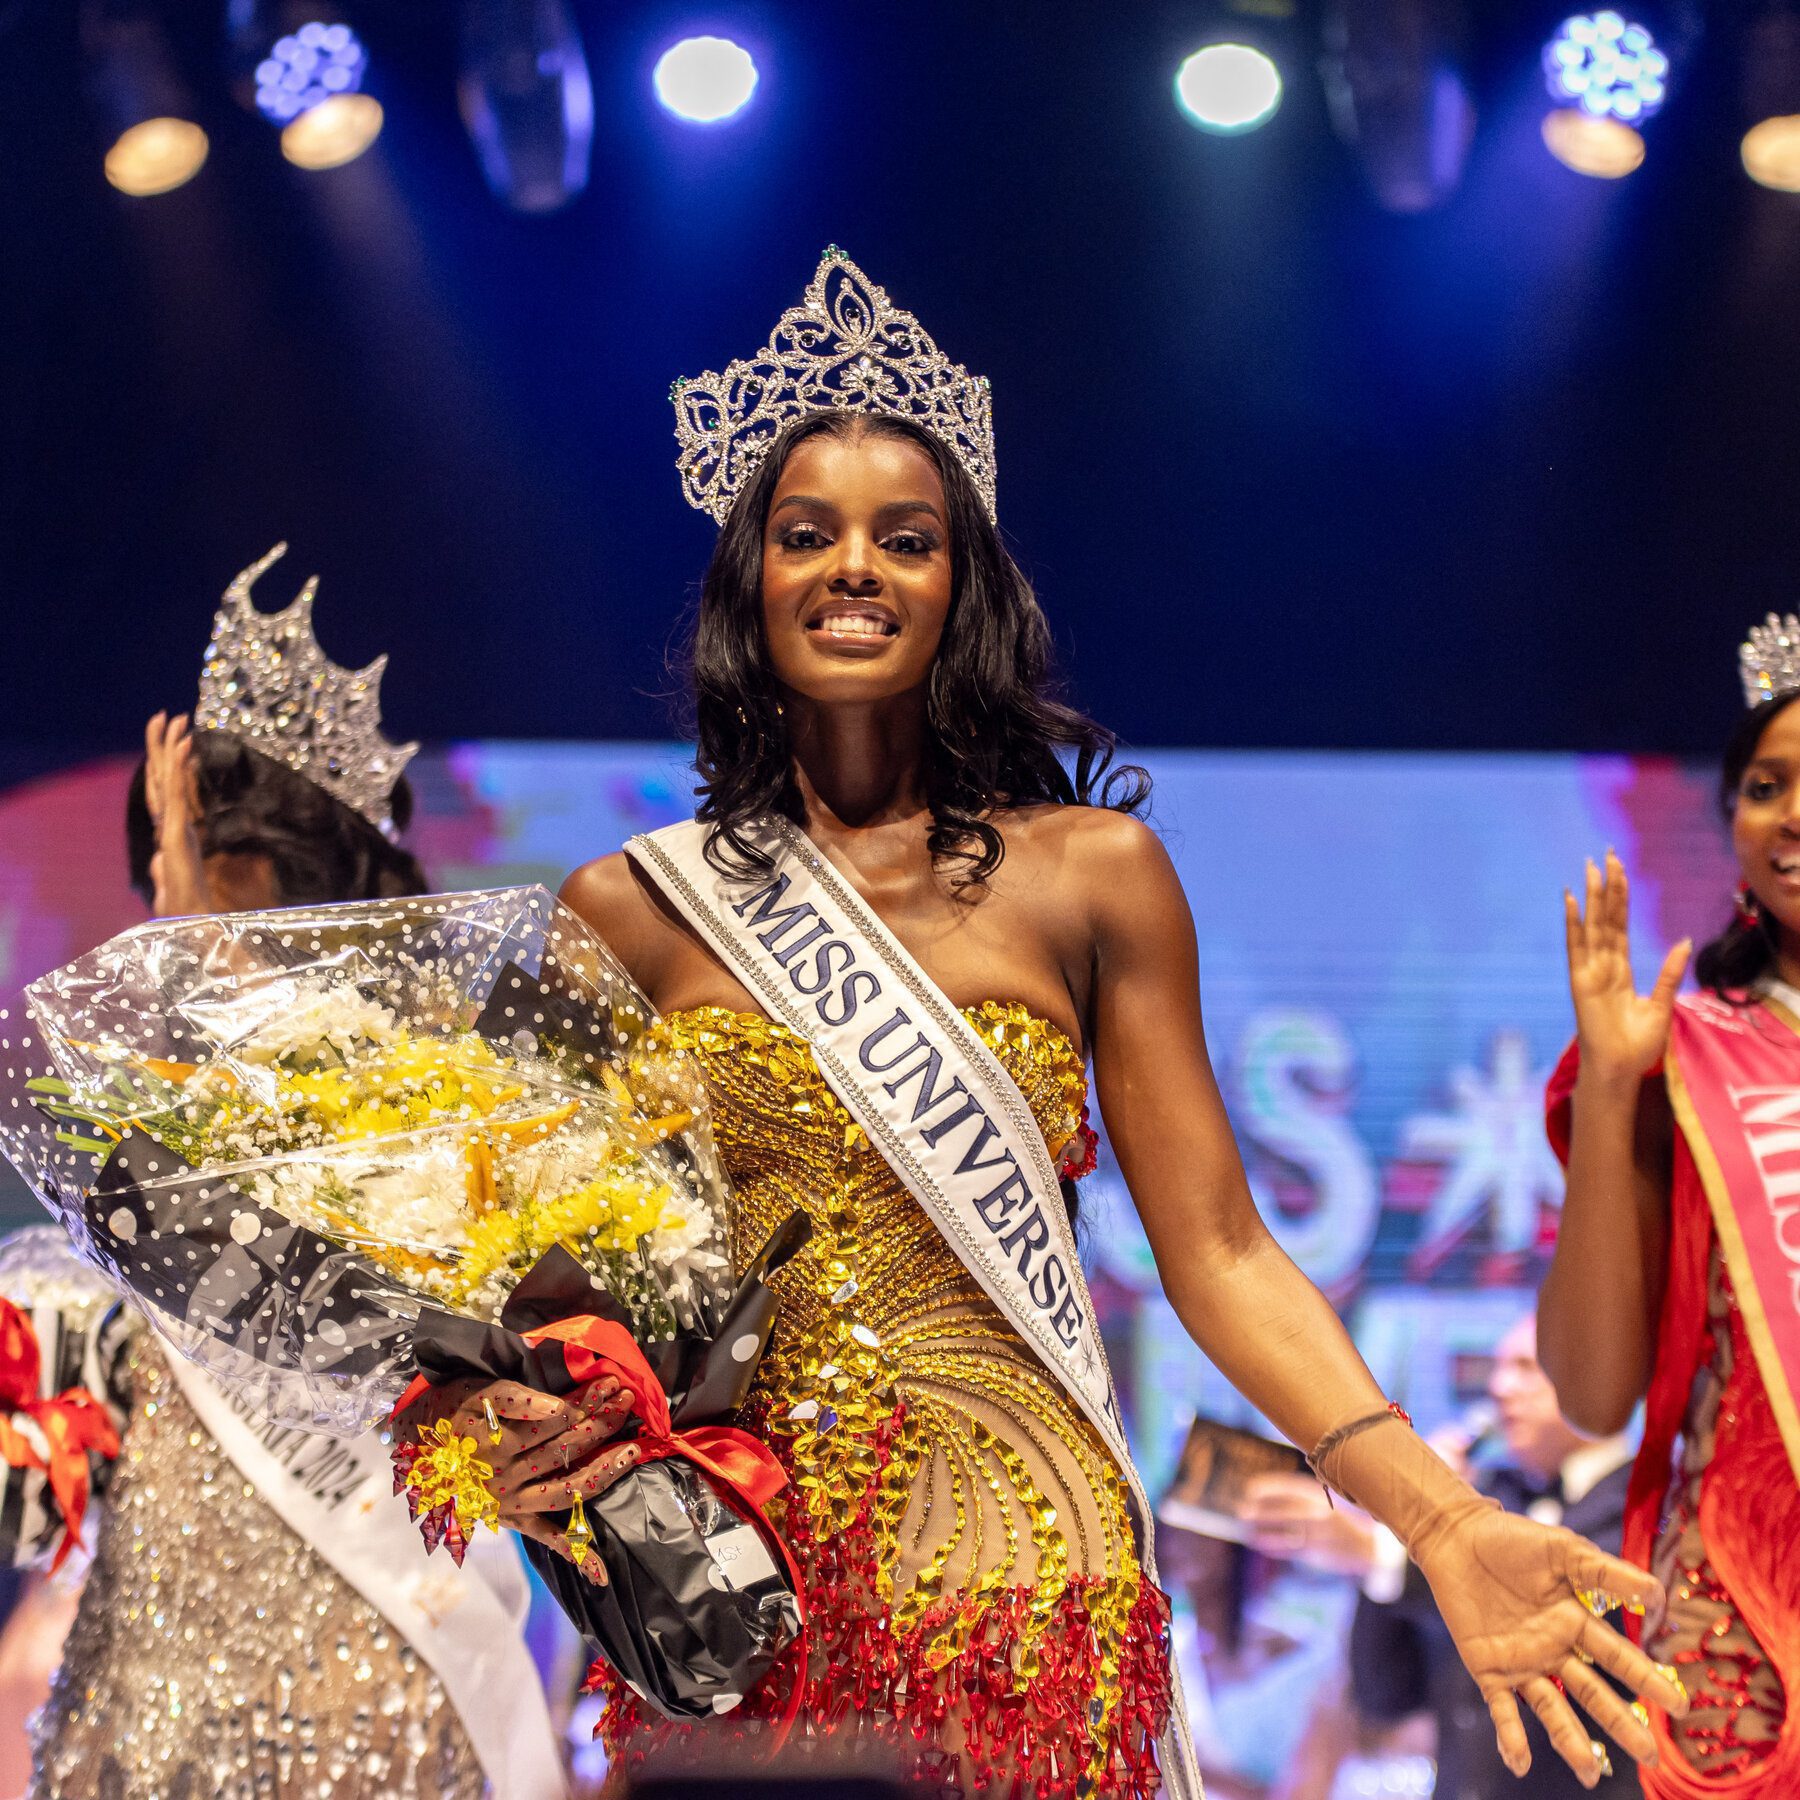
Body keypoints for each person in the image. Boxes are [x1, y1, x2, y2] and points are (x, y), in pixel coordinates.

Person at [417, 249, 1685, 1798]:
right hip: (741, 1595)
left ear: (966, 587)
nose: (856, 569)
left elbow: (1219, 1253)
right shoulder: (623, 912)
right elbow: (535, 1297)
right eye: (807, 536)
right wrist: (516, 1427)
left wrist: (1441, 1515)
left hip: (1034, 1584)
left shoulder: (1089, 878)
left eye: (909, 538)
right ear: (751, 584)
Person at [0, 546, 567, 1800]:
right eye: (180, 916)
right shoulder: (98, 1204)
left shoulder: (470, 1151)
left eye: (241, 920)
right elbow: (26, 1506)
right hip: (142, 1746)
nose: (197, 953)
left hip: (406, 1732)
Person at [1539, 617, 1800, 1795]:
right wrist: (1606, 1088)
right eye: (1766, 786)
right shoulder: (1688, 1058)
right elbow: (1593, 1392)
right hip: (1739, 1628)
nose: (1790, 813)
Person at [1241, 1313, 1636, 1799]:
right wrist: (1405, 1522)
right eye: (1498, 1368)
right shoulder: (1488, 1495)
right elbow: (1386, 1693)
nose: (1500, 1387)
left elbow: (1547, 1601)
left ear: (1597, 1377)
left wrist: (1377, 1548)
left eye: (1526, 1368)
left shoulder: (1643, 1504)